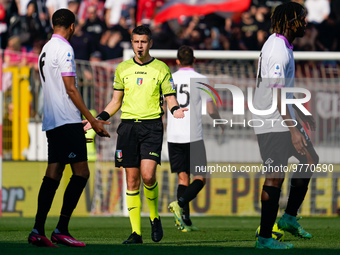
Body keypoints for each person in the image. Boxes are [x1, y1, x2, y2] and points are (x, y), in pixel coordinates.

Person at [84, 25, 187, 244]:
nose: (139, 46)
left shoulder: (161, 68)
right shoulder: (122, 68)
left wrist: (176, 109)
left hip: (151, 127)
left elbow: (169, 97)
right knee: (132, 180)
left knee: (148, 175)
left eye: (143, 42)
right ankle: (136, 233)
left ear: (150, 43)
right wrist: (99, 118)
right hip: (128, 127)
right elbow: (115, 102)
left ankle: (154, 217)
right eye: (136, 42)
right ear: (131, 43)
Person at [27, 8, 110, 248]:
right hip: (67, 119)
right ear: (72, 26)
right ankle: (61, 229)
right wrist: (92, 120)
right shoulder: (65, 49)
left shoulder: (45, 48)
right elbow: (71, 89)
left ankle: (37, 229)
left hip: (52, 121)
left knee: (53, 173)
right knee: (81, 173)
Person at [252, 2, 319, 249]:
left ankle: (289, 217)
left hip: (280, 116)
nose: (305, 23)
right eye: (302, 18)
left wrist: (299, 113)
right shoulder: (278, 50)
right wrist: (293, 129)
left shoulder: (280, 43)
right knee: (274, 177)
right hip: (272, 120)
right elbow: (276, 94)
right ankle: (264, 239)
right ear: (291, 21)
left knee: (310, 159)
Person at [167, 45, 223, 232]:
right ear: (194, 60)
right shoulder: (201, 79)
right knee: (200, 177)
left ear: (177, 61)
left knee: (183, 179)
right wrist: (219, 121)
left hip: (174, 135)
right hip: (193, 136)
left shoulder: (170, 79)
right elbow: (210, 108)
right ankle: (180, 203)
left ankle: (185, 222)